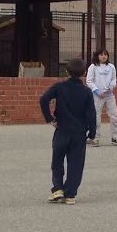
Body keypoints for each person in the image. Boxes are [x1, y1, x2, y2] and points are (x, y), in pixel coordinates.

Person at [40, 57, 98, 204]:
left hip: (62, 130)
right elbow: (91, 114)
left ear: (66, 71)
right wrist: (91, 132)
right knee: (76, 164)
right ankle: (70, 194)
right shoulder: (86, 92)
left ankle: (58, 189)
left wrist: (50, 118)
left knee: (57, 161)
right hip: (79, 133)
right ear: (84, 73)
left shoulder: (59, 87)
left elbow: (43, 99)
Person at [85, 49, 117, 146]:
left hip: (109, 95)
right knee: (96, 116)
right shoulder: (93, 67)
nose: (103, 56)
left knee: (114, 115)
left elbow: (114, 79)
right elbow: (89, 81)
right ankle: (94, 137)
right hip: (97, 96)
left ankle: (116, 137)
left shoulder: (111, 67)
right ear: (97, 56)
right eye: (101, 55)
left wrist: (111, 87)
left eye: (105, 55)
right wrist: (97, 91)